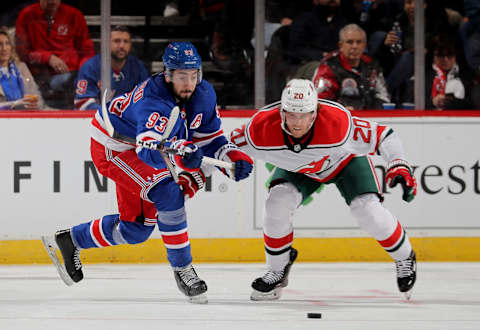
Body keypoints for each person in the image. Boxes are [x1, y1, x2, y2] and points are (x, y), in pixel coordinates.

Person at [42, 42, 254, 304]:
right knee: (167, 193)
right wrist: (181, 153)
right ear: (167, 74)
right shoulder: (153, 102)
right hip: (113, 145)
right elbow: (148, 152)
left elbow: (211, 139)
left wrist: (233, 155)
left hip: (136, 145)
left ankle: (71, 239)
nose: (189, 83)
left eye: (193, 75)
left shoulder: (204, 94)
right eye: (181, 76)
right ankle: (183, 270)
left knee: (136, 230)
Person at [230, 79, 417, 301]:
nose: (297, 123)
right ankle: (277, 269)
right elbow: (222, 148)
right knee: (276, 204)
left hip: (345, 163)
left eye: (304, 114)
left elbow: (384, 135)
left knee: (367, 211)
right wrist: (195, 172)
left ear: (315, 112)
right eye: (291, 114)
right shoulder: (259, 128)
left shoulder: (338, 123)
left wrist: (398, 163)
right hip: (300, 168)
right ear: (281, 112)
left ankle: (405, 257)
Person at [15, 0, 95, 109]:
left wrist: (82, 73)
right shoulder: (27, 15)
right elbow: (21, 54)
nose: (52, 1)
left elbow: (87, 51)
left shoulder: (73, 15)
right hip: (39, 78)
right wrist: (47, 57)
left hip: (72, 76)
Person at [312, 24, 390, 110]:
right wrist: (341, 110)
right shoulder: (327, 66)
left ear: (364, 45)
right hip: (339, 118)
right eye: (350, 42)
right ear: (340, 45)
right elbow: (320, 101)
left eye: (359, 42)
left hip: (369, 118)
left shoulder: (372, 65)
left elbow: (383, 96)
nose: (355, 46)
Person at [74, 26, 149, 110]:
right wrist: (112, 114)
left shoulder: (138, 67)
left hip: (125, 120)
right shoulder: (90, 67)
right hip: (94, 120)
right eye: (117, 41)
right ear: (106, 44)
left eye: (126, 41)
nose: (121, 46)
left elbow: (146, 100)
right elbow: (83, 103)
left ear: (130, 45)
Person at [0, 27, 43, 110]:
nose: (4, 48)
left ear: (11, 46)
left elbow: (38, 97)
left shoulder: (21, 67)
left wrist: (35, 103)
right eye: (0, 44)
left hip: (26, 116)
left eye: (7, 43)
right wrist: (15, 104)